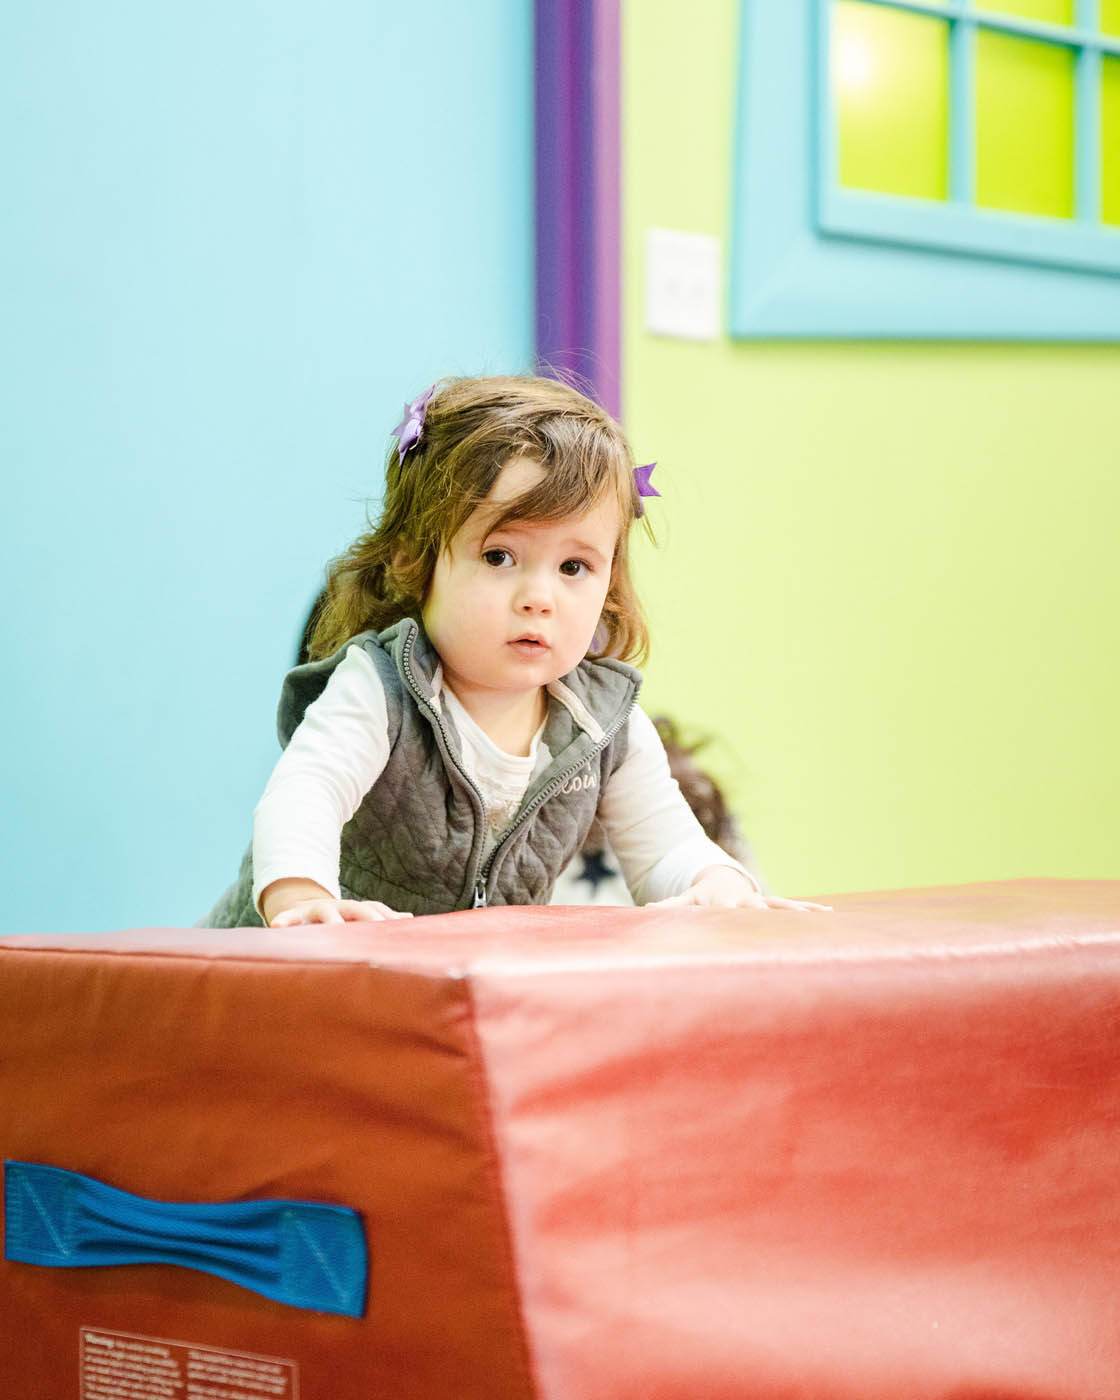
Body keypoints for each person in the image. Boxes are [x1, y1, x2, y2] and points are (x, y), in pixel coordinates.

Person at [203, 375, 829, 927]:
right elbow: (307, 791)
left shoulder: (604, 721)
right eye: (499, 557)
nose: (539, 597)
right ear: (413, 561)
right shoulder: (381, 688)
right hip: (283, 970)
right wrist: (302, 895)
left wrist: (715, 883)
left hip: (436, 985)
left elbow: (664, 846)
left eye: (575, 566)